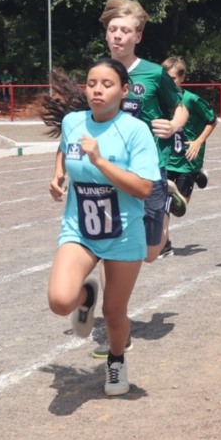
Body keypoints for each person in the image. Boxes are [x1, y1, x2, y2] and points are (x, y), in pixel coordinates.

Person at [43, 58, 158, 396]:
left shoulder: (136, 130)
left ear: (124, 91)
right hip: (80, 229)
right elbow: (64, 148)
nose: (97, 90)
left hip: (123, 233)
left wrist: (99, 162)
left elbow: (144, 188)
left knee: (113, 312)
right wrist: (58, 174)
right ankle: (85, 295)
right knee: (60, 301)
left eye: (107, 85)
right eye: (92, 83)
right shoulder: (73, 122)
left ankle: (116, 360)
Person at [101, 0, 188, 263]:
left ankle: (166, 189)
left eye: (125, 30)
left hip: (148, 167)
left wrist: (174, 125)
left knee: (150, 252)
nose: (118, 35)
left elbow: (180, 108)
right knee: (110, 242)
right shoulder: (99, 72)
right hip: (112, 166)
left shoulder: (154, 74)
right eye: (113, 29)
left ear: (138, 36)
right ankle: (109, 292)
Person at [162, 56, 218, 227]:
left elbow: (212, 120)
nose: (168, 82)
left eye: (172, 78)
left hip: (187, 159)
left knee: (179, 207)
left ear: (182, 78)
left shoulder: (191, 99)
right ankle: (164, 240)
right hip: (166, 157)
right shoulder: (159, 98)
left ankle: (198, 174)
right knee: (161, 204)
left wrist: (198, 142)